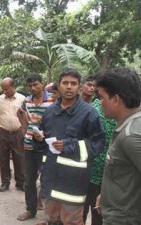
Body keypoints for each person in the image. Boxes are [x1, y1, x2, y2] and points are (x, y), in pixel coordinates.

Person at [34, 68, 105, 225]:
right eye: (65, 83)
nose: (69, 87)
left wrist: (69, 145)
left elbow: (98, 143)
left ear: (79, 87)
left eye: (73, 83)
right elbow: (42, 138)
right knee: (52, 220)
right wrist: (39, 138)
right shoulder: (50, 111)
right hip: (50, 178)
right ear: (58, 86)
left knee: (72, 222)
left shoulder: (89, 113)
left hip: (73, 184)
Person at [95, 68, 141, 225]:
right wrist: (107, 195)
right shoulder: (128, 125)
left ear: (115, 99)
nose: (99, 103)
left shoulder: (131, 135)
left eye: (101, 97)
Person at [17, 74, 54, 221]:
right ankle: (31, 210)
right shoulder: (27, 100)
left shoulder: (53, 99)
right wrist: (25, 128)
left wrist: (45, 132)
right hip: (29, 144)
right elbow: (20, 113)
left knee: (48, 179)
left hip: (46, 146)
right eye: (30, 85)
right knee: (29, 179)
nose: (33, 88)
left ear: (42, 84)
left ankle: (50, 214)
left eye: (36, 84)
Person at [82, 84, 116, 225]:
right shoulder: (92, 111)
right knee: (87, 212)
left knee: (96, 213)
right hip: (90, 171)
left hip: (103, 175)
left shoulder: (120, 116)